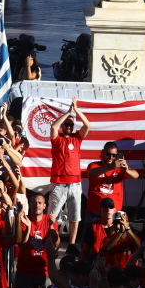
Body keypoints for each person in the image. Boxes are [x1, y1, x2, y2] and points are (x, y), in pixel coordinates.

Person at [49, 98, 91, 245]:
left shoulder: (77, 139)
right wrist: (68, 113)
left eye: (70, 125)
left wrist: (77, 110)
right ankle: (52, 241)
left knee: (75, 216)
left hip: (75, 184)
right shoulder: (57, 139)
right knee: (52, 215)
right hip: (59, 183)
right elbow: (54, 127)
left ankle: (72, 244)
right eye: (66, 125)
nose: (68, 127)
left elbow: (87, 125)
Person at [14, 193, 59, 288]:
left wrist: (51, 226)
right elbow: (21, 244)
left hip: (44, 273)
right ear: (30, 204)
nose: (37, 205)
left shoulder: (49, 220)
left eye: (39, 203)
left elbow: (56, 243)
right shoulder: (24, 219)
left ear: (44, 206)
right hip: (24, 272)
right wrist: (28, 227)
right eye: (34, 202)